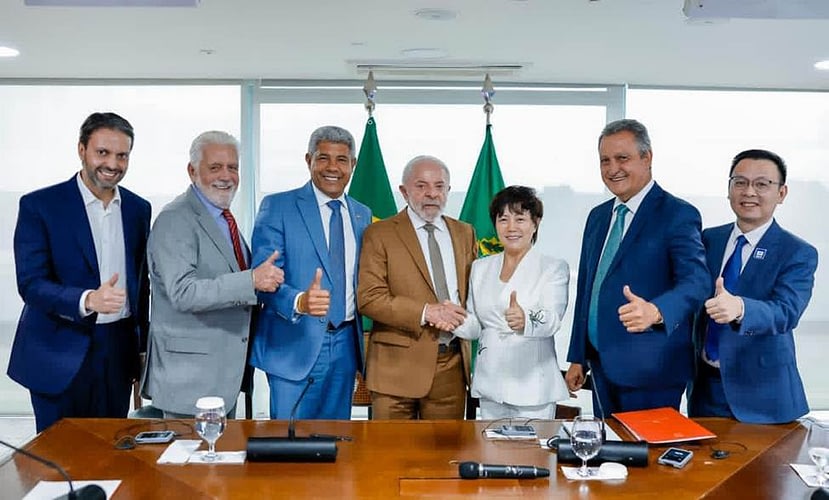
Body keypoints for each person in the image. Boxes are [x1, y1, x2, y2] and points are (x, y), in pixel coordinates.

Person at [7, 112, 151, 432]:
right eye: (103, 152)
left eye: (122, 155)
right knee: (58, 453)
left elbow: (142, 286)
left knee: (112, 447)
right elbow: (31, 283)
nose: (112, 163)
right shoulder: (40, 205)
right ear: (82, 149)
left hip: (117, 352)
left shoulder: (138, 209)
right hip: (57, 351)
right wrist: (87, 300)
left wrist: (141, 349)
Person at [565, 118, 709, 415]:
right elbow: (588, 289)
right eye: (605, 160)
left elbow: (697, 283)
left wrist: (656, 311)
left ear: (647, 157)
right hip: (601, 367)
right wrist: (578, 356)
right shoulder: (598, 217)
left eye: (622, 158)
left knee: (647, 447)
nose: (612, 169)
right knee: (607, 445)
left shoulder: (677, 214)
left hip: (653, 371)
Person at [140, 131, 283, 418]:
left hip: (222, 375)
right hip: (189, 381)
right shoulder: (175, 219)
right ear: (192, 171)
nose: (226, 176)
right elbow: (183, 293)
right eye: (215, 167)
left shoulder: (222, 218)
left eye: (232, 167)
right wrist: (251, 280)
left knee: (219, 449)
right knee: (190, 449)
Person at [687, 149, 817, 424]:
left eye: (762, 184)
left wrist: (740, 308)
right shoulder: (708, 239)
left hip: (763, 397)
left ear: (781, 193)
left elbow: (786, 312)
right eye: (740, 182)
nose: (749, 192)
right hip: (705, 390)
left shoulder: (797, 252)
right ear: (729, 189)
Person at [251, 125, 371, 420]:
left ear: (353, 164)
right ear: (308, 160)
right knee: (289, 440)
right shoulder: (278, 206)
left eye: (342, 160)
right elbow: (262, 278)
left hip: (345, 346)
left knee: (336, 438)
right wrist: (299, 301)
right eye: (323, 158)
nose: (333, 168)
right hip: (293, 344)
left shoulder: (362, 214)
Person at [358, 155, 477, 420]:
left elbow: (473, 294)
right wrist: (426, 312)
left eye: (439, 186)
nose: (431, 193)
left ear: (448, 190)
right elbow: (369, 298)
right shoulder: (379, 233)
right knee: (392, 447)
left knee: (444, 447)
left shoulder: (465, 232)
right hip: (395, 369)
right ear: (404, 191)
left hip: (452, 368)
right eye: (421, 186)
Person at [451, 186, 570, 419]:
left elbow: (553, 320)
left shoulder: (553, 267)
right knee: (489, 443)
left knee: (534, 444)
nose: (511, 227)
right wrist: (454, 320)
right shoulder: (480, 268)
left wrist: (526, 320)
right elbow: (476, 326)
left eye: (520, 219)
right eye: (503, 219)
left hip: (533, 385)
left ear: (535, 223)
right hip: (490, 382)